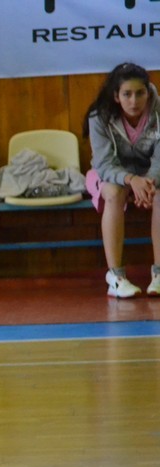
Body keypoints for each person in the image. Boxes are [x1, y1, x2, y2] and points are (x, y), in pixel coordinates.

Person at [82, 62, 160, 298]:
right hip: (110, 174)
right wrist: (131, 180)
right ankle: (116, 278)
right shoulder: (99, 116)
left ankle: (158, 273)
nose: (134, 101)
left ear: (148, 93)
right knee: (115, 193)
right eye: (127, 94)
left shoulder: (158, 111)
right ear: (116, 96)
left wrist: (148, 183)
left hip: (149, 175)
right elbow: (104, 163)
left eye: (140, 93)